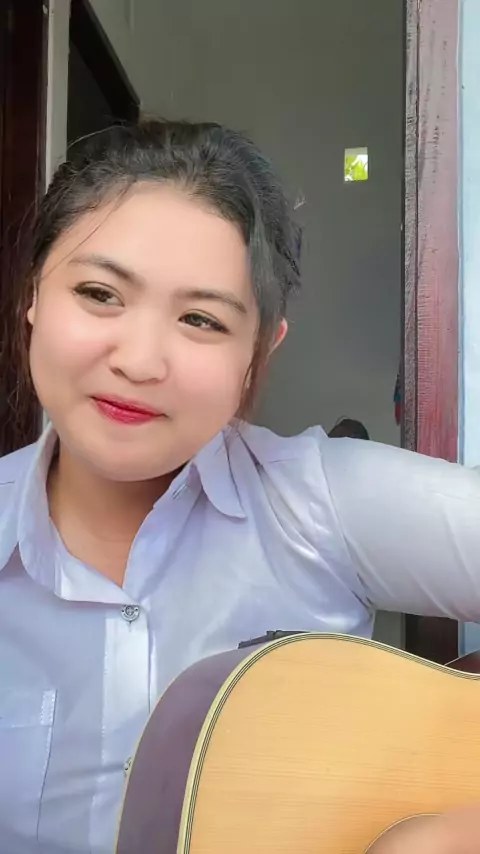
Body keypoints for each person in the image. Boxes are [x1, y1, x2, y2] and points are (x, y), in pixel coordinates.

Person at [1, 120, 480, 854]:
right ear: (34, 293)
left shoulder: (322, 503)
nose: (140, 360)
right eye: (100, 293)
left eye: (201, 319)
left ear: (260, 349)